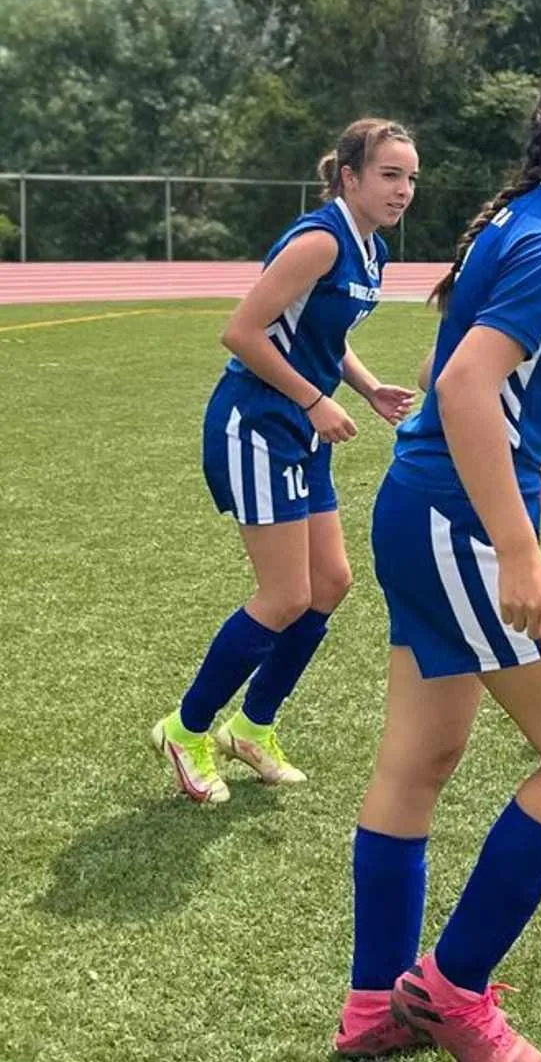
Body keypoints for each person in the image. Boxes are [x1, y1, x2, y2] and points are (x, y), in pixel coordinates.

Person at [335, 52, 541, 1062]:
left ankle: (374, 1007)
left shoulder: (512, 221)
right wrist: (519, 550)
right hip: (460, 529)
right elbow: (468, 388)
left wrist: (536, 476)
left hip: (425, 507)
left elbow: (447, 379)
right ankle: (452, 991)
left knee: (420, 760)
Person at [151, 119, 418, 804]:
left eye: (411, 177)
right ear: (349, 178)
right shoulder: (321, 239)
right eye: (390, 175)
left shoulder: (371, 249)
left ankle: (253, 725)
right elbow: (240, 331)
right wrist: (311, 401)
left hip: (297, 428)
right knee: (285, 595)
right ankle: (186, 730)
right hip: (255, 423)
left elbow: (319, 334)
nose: (403, 189)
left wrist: (365, 386)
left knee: (329, 583)